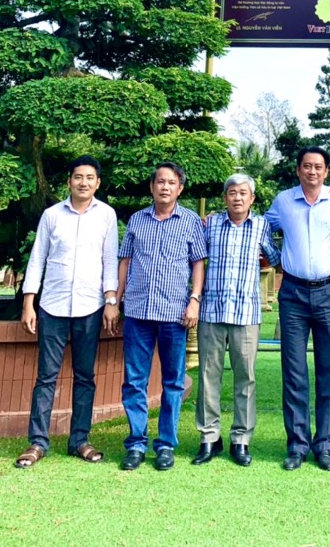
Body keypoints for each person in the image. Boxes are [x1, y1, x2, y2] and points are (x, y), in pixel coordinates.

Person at [14, 155, 119, 468]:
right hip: (52, 306)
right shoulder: (52, 215)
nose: (83, 183)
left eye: (89, 178)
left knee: (85, 377)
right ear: (69, 181)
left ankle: (80, 440)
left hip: (90, 306)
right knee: (46, 377)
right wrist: (29, 302)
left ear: (97, 183)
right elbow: (37, 259)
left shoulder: (107, 215)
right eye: (78, 177)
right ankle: (37, 442)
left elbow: (110, 260)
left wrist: (111, 301)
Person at [265, 146, 330, 471]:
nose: (312, 171)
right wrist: (276, 259)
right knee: (293, 370)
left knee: (328, 370)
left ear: (327, 171)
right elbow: (260, 227)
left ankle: (326, 445)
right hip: (292, 293)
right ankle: (297, 445)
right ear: (298, 170)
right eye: (307, 166)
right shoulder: (283, 201)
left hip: (328, 292)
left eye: (318, 166)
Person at [117, 162, 206, 472]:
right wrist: (115, 300)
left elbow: (198, 263)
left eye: (171, 182)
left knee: (173, 381)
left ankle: (166, 444)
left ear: (180, 188)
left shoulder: (190, 221)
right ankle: (136, 444)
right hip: (138, 311)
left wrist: (194, 300)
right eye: (160, 182)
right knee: (134, 381)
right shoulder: (137, 220)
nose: (165, 187)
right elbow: (125, 261)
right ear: (152, 187)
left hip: (174, 313)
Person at [193, 173, 281, 468]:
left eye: (243, 193)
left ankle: (241, 439)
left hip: (246, 313)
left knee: (246, 377)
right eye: (232, 192)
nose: (238, 197)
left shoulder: (262, 226)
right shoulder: (211, 224)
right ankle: (209, 437)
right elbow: (195, 257)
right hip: (212, 311)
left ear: (252, 198)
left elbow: (275, 258)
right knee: (208, 376)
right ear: (225, 197)